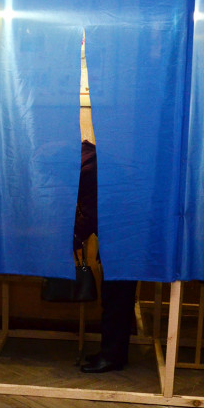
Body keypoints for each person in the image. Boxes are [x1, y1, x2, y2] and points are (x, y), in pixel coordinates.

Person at [68, 140, 139, 374]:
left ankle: (111, 357)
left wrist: (75, 236)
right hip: (124, 237)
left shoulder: (88, 170)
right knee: (117, 300)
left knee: (116, 301)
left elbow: (91, 212)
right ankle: (113, 353)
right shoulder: (94, 161)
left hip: (122, 241)